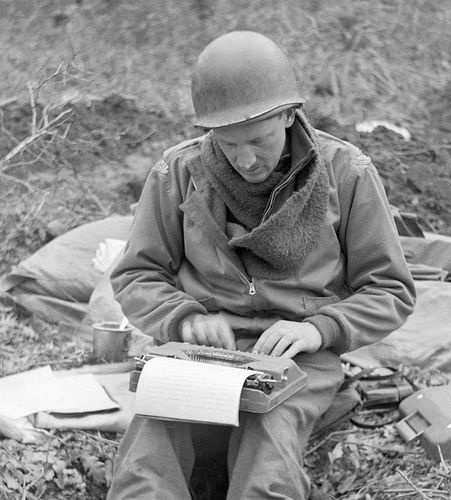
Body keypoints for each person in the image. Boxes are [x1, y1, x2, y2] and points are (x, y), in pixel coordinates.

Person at [106, 30, 416, 500]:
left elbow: (391, 289)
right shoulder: (179, 174)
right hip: (201, 356)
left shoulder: (347, 173)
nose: (246, 160)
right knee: (153, 433)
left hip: (300, 356)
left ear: (290, 114)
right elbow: (136, 274)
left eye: (258, 140)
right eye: (228, 145)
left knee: (269, 431)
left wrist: (322, 329)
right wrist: (184, 318)